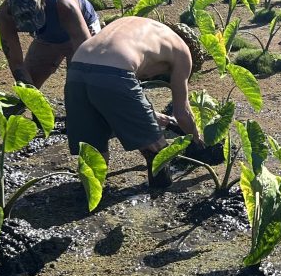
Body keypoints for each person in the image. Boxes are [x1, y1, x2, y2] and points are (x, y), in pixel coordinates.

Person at [65, 16, 204, 188]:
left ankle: (89, 195)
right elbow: (182, 113)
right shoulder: (183, 50)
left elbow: (119, 95)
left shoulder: (141, 28)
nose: (152, 77)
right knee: (157, 148)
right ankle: (159, 192)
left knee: (93, 150)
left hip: (76, 71)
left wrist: (152, 116)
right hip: (115, 71)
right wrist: (198, 142)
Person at [0, 0, 102, 87]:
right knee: (30, 80)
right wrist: (29, 94)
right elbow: (16, 63)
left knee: (79, 82)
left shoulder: (64, 4)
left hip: (82, 30)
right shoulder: (4, 17)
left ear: (43, 2)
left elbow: (85, 54)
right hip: (47, 35)